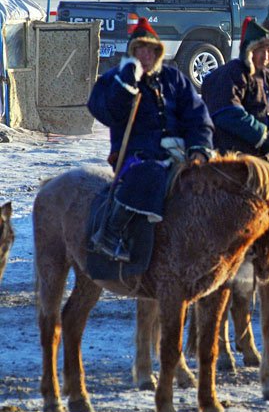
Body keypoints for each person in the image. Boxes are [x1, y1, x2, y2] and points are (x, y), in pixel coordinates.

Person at [87, 18, 214, 262]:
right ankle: (111, 233)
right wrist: (127, 84)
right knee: (151, 174)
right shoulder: (115, 79)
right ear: (132, 52)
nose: (145, 55)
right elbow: (106, 112)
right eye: (140, 50)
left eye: (150, 50)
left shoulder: (174, 78)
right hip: (137, 153)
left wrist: (199, 148)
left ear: (158, 52)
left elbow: (197, 115)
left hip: (179, 151)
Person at [201, 17, 269, 157]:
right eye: (261, 50)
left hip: (264, 154)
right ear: (250, 51)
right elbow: (228, 114)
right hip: (231, 155)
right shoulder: (230, 74)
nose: (267, 55)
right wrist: (264, 138)